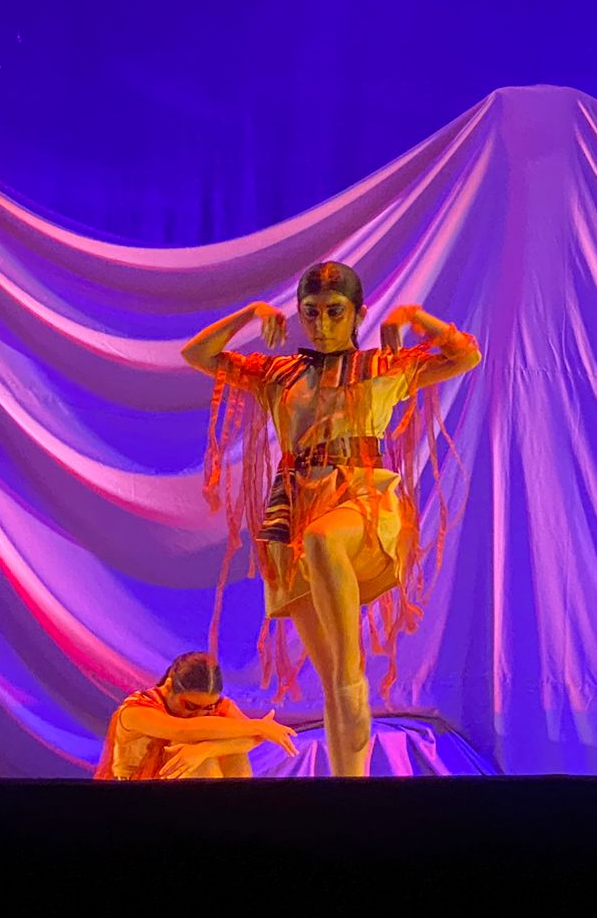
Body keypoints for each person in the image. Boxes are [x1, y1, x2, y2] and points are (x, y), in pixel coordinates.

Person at [183, 261, 480, 776]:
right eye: (311, 312)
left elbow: (466, 354)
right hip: (293, 514)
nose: (321, 324)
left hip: (361, 501)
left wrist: (415, 315)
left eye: (335, 312)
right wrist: (251, 312)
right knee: (338, 679)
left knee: (324, 550)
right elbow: (198, 354)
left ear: (358, 314)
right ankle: (349, 788)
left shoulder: (382, 367)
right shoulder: (279, 374)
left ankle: (352, 700)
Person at [94, 652, 297, 780]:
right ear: (169, 686)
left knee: (228, 749)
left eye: (207, 708)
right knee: (197, 743)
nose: (200, 714)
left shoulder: (216, 706)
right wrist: (259, 726)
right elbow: (183, 731)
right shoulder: (136, 710)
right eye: (191, 706)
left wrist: (207, 749)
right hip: (131, 803)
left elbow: (252, 739)